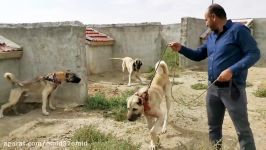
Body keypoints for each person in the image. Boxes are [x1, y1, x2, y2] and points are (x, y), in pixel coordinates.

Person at [169, 3, 260, 150]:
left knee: (242, 130)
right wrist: (181, 49)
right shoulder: (211, 37)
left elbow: (254, 53)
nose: (205, 23)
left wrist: (232, 70)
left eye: (206, 20)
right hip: (212, 89)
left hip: (232, 89)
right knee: (213, 128)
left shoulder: (238, 30)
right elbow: (199, 55)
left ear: (213, 17)